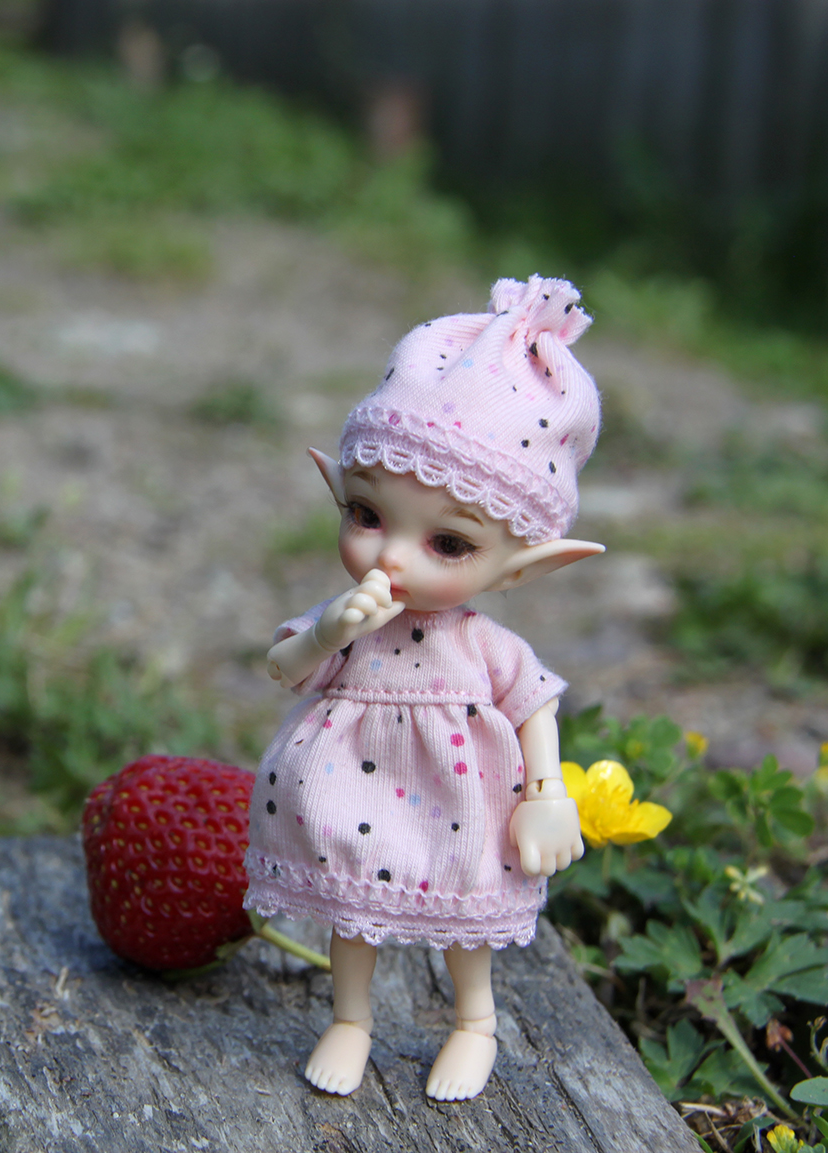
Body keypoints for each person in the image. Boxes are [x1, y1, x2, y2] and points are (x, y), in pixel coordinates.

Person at [246, 275, 603, 1101]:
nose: (389, 556)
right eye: (366, 515)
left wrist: (546, 792)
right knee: (352, 914)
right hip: (346, 789)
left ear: (521, 568)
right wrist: (329, 631)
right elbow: (283, 668)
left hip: (460, 796)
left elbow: (533, 701)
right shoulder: (350, 618)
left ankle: (473, 1021)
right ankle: (350, 1017)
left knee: (464, 913)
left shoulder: (482, 645)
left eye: (447, 542)